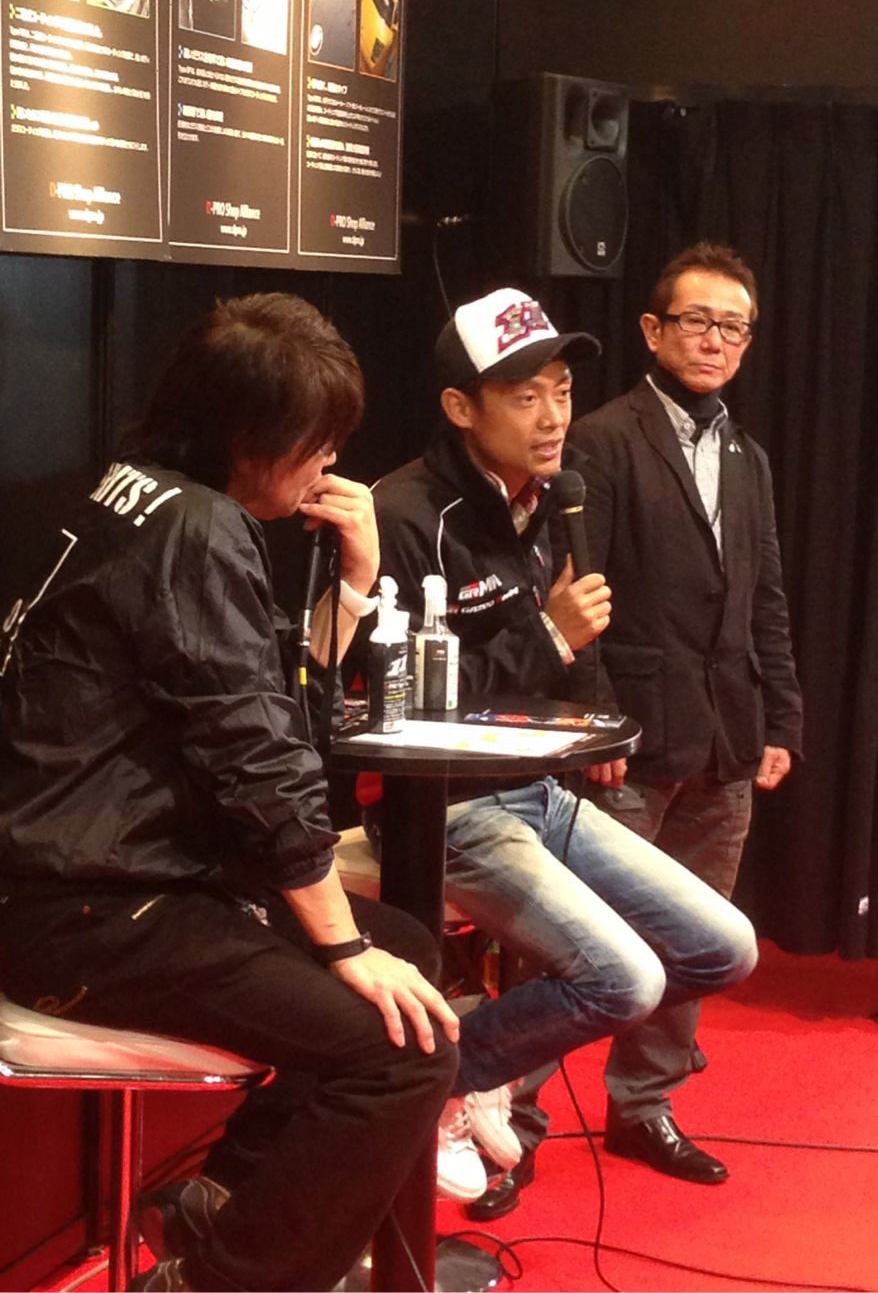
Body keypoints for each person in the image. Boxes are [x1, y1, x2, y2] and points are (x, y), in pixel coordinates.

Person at [0, 293, 460, 1293]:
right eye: (315, 441)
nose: (327, 463)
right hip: (88, 906)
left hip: (89, 881)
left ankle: (222, 1204)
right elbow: (260, 761)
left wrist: (354, 582)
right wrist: (340, 947)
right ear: (248, 436)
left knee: (410, 949)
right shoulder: (199, 527)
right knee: (404, 1048)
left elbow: (261, 706)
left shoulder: (118, 491)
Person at [364, 286, 759, 1212]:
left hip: (538, 793)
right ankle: (437, 1077)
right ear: (461, 407)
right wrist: (548, 637)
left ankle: (465, 1062)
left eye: (563, 392)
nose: (553, 418)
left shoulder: (552, 500)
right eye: (525, 396)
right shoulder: (404, 513)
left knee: (724, 947)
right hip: (439, 808)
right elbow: (382, 703)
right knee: (625, 978)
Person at [506, 242, 797, 1200]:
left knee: (694, 941)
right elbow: (575, 591)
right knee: (564, 943)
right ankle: (508, 1121)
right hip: (627, 740)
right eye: (697, 321)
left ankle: (644, 1105)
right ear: (653, 329)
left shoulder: (749, 456)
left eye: (733, 327)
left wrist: (781, 720)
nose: (715, 341)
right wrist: (595, 728)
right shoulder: (599, 438)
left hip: (726, 734)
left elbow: (765, 600)